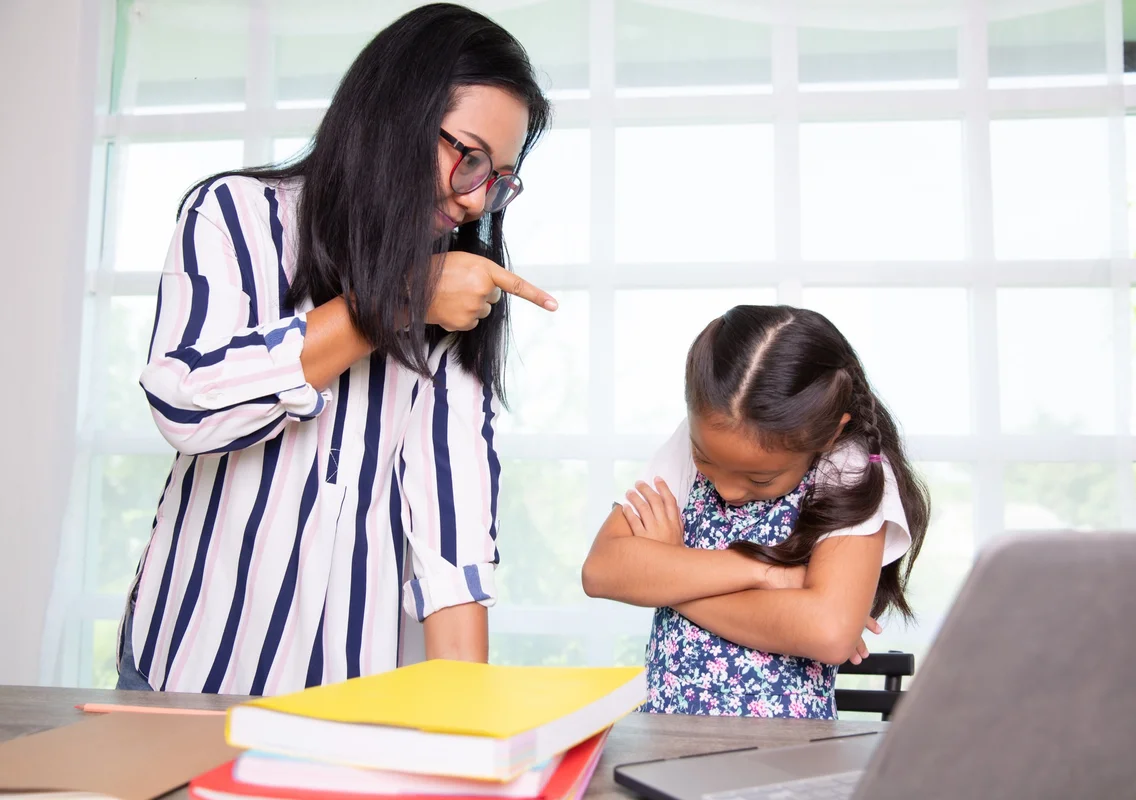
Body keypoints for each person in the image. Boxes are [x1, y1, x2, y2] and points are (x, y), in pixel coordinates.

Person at [116, 3, 556, 694]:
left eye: (497, 177)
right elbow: (189, 407)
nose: (476, 200)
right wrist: (396, 302)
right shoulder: (237, 216)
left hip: (346, 705)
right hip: (183, 679)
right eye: (467, 156)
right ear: (394, 114)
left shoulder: (456, 295)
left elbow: (453, 543)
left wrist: (475, 735)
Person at [581, 305, 929, 718]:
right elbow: (602, 571)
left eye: (760, 479)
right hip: (665, 733)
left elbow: (829, 632)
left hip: (786, 753)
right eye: (704, 459)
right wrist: (769, 575)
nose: (726, 489)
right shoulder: (710, 435)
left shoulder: (848, 466)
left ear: (828, 433)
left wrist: (672, 576)